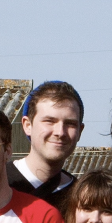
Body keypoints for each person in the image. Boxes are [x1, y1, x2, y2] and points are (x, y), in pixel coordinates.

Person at [8, 80, 83, 208]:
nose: (60, 132)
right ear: (27, 125)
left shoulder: (82, 199)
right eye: (49, 121)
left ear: (80, 131)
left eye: (70, 124)